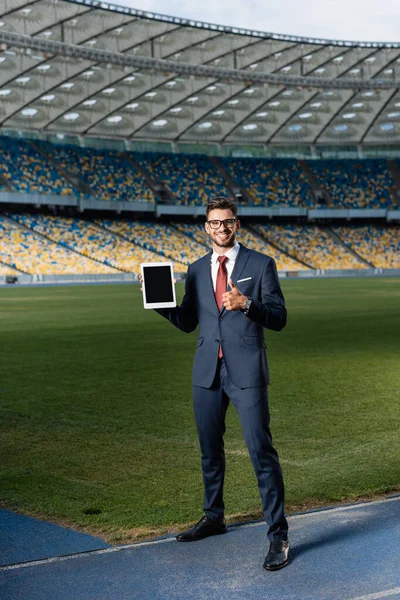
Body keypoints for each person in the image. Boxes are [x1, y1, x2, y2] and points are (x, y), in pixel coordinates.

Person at [141, 197, 289, 571]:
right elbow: (189, 321)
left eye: (228, 222)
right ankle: (213, 517)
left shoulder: (261, 264)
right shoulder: (194, 269)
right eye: (215, 223)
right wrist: (155, 299)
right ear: (206, 227)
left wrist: (247, 305)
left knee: (261, 452)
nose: (221, 228)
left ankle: (278, 535)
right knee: (210, 450)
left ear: (236, 224)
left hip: (247, 371)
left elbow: (279, 317)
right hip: (207, 371)